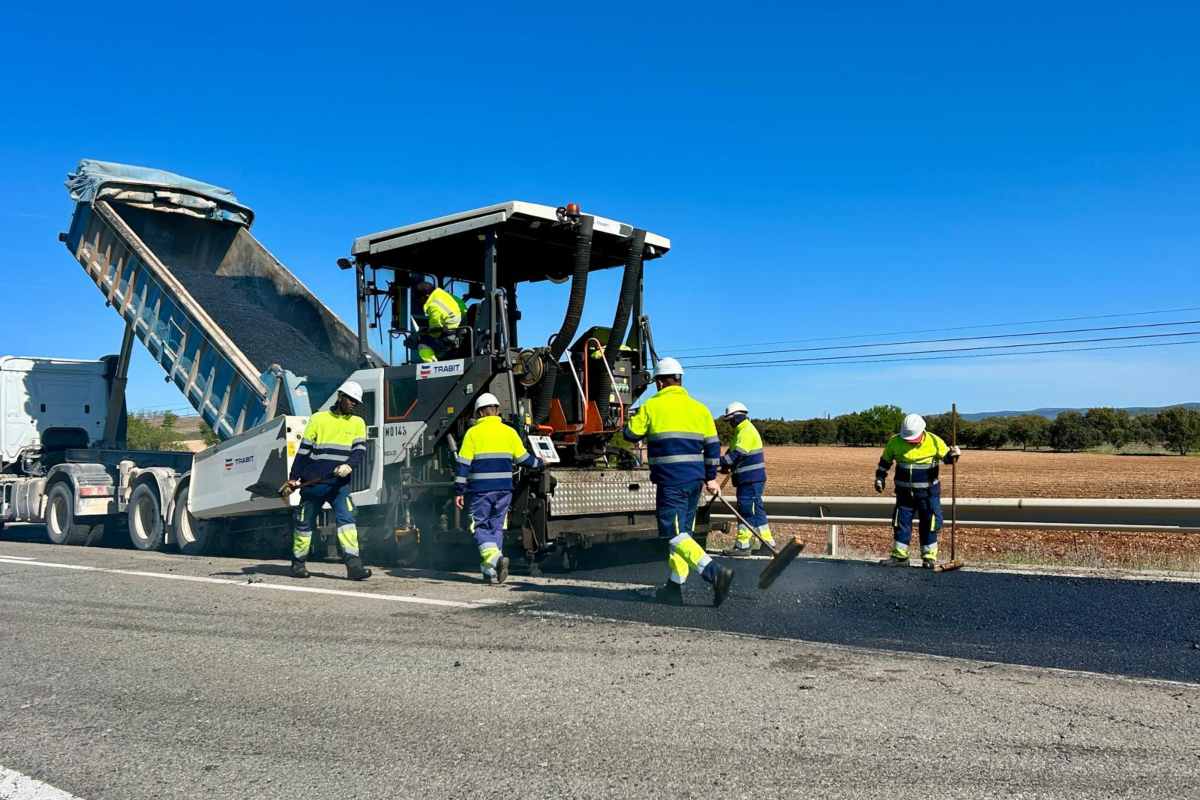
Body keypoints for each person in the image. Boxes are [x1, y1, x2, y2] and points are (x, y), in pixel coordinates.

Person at [622, 357, 734, 607]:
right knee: (684, 534)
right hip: (695, 482)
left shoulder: (652, 406)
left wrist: (629, 419)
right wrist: (711, 477)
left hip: (671, 483)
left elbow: (630, 434)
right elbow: (712, 447)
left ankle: (714, 572)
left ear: (659, 383)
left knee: (672, 534)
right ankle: (674, 588)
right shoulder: (700, 409)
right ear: (680, 380)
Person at [283, 381, 372, 581]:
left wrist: (349, 465)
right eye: (351, 400)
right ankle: (298, 565)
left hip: (339, 486)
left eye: (356, 402)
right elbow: (303, 452)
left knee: (347, 522)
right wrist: (293, 479)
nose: (354, 404)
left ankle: (354, 567)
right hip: (313, 483)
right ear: (340, 397)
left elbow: (359, 451)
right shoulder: (318, 419)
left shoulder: (358, 423)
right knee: (304, 525)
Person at [454, 392, 543, 583]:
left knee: (479, 526)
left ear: (479, 413)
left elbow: (463, 464)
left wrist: (459, 491)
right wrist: (540, 463)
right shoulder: (509, 432)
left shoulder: (473, 433)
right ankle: (490, 571)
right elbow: (523, 458)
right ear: (497, 410)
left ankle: (495, 560)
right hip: (504, 490)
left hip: (481, 491)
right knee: (496, 528)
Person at [875, 413, 962, 568]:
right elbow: (884, 462)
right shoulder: (895, 442)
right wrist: (879, 478)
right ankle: (900, 557)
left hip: (928, 495)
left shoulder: (934, 441)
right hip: (904, 495)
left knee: (929, 523)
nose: (910, 441)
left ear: (922, 430)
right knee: (901, 523)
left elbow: (948, 459)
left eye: (913, 438)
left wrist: (954, 455)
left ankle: (929, 558)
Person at [719, 401, 776, 556]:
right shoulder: (740, 432)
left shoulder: (746, 431)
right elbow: (731, 454)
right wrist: (725, 465)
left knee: (746, 510)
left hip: (750, 479)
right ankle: (767, 544)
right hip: (748, 479)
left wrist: (718, 462)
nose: (729, 423)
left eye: (730, 420)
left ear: (737, 417)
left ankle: (743, 546)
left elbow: (737, 455)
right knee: (755, 510)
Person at [413, 281, 463, 363]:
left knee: (422, 344)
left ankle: (431, 364)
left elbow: (435, 331)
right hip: (457, 330)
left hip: (449, 336)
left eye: (419, 298)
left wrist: (424, 333)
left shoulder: (433, 305)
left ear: (426, 296)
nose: (419, 301)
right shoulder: (442, 295)